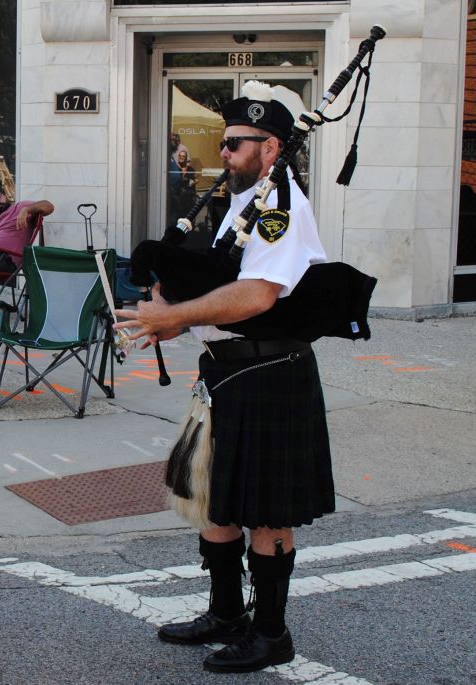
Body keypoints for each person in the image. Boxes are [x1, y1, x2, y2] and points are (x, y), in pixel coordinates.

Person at [114, 81, 333, 673]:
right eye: (226, 141)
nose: (226, 153)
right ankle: (226, 612)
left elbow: (258, 296)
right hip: (227, 372)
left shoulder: (281, 208)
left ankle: (270, 632)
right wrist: (175, 324)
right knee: (217, 498)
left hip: (270, 373)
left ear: (273, 148)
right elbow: (219, 289)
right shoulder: (241, 204)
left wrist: (175, 316)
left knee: (267, 509)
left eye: (239, 143)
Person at [169, 148, 197, 219]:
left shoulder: (190, 169)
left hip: (188, 198)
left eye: (183, 156)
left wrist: (193, 182)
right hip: (178, 199)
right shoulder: (176, 169)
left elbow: (195, 180)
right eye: (180, 156)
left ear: (186, 158)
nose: (181, 157)